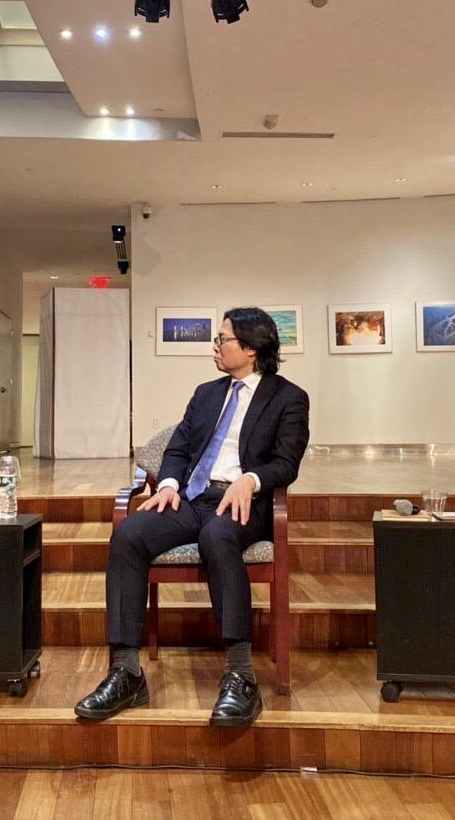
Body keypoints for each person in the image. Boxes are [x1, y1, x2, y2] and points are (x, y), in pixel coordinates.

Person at [76, 308, 309, 725]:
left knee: (218, 537)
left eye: (224, 340)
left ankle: (241, 676)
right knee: (129, 534)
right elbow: (179, 450)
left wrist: (251, 480)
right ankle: (127, 673)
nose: (216, 346)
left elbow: (286, 462)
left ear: (252, 349)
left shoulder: (289, 398)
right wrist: (167, 485)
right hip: (191, 499)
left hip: (242, 504)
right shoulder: (205, 393)